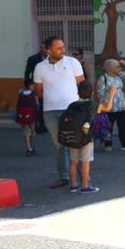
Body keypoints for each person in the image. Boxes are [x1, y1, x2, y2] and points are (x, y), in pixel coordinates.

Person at [34, 36, 85, 188]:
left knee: (75, 143)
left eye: (63, 47)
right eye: (59, 48)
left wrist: (83, 107)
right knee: (60, 145)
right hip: (50, 111)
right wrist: (51, 100)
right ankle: (64, 177)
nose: (63, 50)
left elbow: (83, 85)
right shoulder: (40, 67)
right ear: (48, 50)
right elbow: (38, 90)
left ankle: (84, 177)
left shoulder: (72, 62)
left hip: (72, 110)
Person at [96, 58, 125, 151]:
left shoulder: (119, 75)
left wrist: (123, 64)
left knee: (122, 126)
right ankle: (107, 145)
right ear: (110, 68)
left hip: (122, 106)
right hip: (109, 107)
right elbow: (100, 93)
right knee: (108, 127)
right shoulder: (103, 78)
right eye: (117, 67)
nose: (119, 68)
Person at [66, 80, 99, 194]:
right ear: (92, 92)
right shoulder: (91, 105)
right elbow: (88, 122)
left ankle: (73, 185)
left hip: (73, 137)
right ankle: (85, 186)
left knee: (73, 161)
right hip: (86, 138)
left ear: (77, 92)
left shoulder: (72, 105)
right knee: (85, 162)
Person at [24, 43, 48, 134]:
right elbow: (27, 73)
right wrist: (29, 85)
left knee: (44, 106)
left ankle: (43, 125)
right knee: (36, 106)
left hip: (47, 86)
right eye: (41, 47)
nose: (42, 49)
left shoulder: (49, 59)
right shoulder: (33, 59)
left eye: (44, 47)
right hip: (36, 86)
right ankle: (37, 126)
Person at [15, 86, 37, 156]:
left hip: (22, 116)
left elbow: (17, 106)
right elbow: (37, 105)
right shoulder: (33, 94)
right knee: (32, 132)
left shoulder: (21, 94)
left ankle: (28, 148)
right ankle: (31, 147)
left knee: (26, 133)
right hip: (31, 116)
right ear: (30, 86)